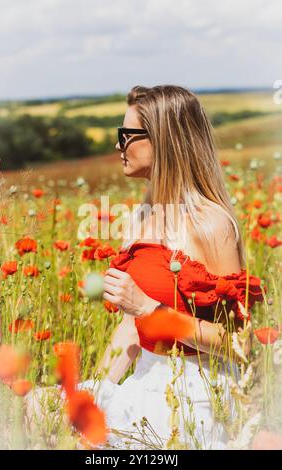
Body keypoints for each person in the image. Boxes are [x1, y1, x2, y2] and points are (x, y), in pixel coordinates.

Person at [25, 85, 265, 450]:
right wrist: (98, 388)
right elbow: (130, 328)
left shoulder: (211, 224)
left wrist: (152, 310)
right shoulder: (141, 218)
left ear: (164, 141)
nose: (118, 145)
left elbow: (238, 344)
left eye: (127, 135)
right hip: (145, 379)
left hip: (192, 395)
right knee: (38, 407)